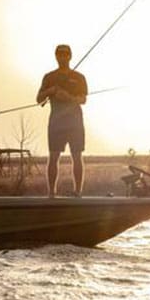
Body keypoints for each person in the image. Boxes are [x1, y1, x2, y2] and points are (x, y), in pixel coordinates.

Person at [36, 44, 88, 197]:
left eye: (65, 54)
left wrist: (69, 98)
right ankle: (51, 192)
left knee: (77, 155)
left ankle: (78, 191)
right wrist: (51, 91)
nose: (62, 57)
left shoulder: (79, 77)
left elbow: (83, 99)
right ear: (56, 56)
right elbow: (39, 100)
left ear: (70, 56)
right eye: (59, 54)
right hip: (56, 123)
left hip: (75, 122)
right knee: (53, 156)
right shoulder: (49, 77)